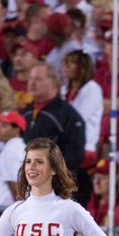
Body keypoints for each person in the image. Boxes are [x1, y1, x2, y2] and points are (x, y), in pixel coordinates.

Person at [20, 63, 86, 204]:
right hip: (25, 184)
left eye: (38, 79)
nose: (32, 83)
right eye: (30, 79)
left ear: (54, 82)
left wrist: (55, 177)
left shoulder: (67, 115)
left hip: (54, 187)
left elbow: (75, 153)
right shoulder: (24, 113)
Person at [61, 50, 102, 169]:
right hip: (64, 148)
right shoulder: (64, 90)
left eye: (72, 63)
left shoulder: (92, 89)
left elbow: (77, 117)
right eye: (65, 63)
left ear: (83, 67)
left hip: (84, 149)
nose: (67, 67)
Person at [0, 111, 27, 207]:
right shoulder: (22, 148)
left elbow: (14, 184)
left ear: (16, 130)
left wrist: (23, 211)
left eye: (3, 126)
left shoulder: (10, 150)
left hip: (9, 209)